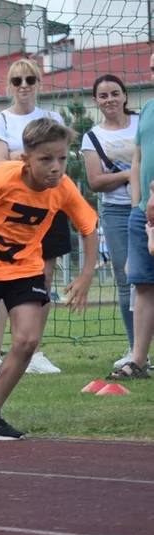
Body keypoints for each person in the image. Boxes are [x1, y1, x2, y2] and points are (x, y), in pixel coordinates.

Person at [0, 118, 98, 440]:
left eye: (62, 159)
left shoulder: (62, 188)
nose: (56, 168)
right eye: (46, 159)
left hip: (24, 268)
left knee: (26, 339)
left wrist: (85, 275)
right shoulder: (1, 178)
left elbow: (88, 228)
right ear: (25, 159)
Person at [0, 58, 66, 377]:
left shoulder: (52, 117)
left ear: (39, 83)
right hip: (12, 210)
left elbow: (56, 165)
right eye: (17, 81)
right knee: (6, 280)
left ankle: (33, 351)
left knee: (43, 279)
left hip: (49, 207)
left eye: (30, 79)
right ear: (9, 86)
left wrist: (29, 160)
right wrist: (35, 161)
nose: (24, 86)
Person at [81, 74, 138, 374]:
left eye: (115, 93)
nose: (110, 100)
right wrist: (128, 176)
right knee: (126, 280)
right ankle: (135, 349)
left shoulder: (143, 122)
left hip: (148, 206)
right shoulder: (92, 137)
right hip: (116, 213)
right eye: (103, 96)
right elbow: (95, 182)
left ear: (125, 95)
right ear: (96, 101)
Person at [120, 54, 154, 383]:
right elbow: (138, 157)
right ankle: (139, 360)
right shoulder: (148, 108)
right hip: (144, 211)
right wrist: (136, 205)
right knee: (143, 286)